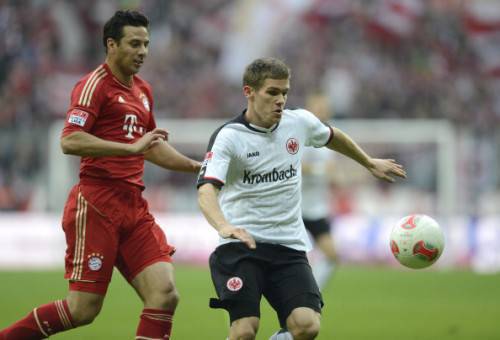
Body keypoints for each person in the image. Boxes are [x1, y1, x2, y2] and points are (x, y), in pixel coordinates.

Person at [0, 10, 200, 340]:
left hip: (134, 207)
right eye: (134, 44)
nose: (143, 52)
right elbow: (70, 139)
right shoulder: (94, 85)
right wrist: (130, 149)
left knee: (164, 294)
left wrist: (194, 166)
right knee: (83, 310)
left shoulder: (143, 91)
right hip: (97, 205)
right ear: (111, 44)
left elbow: (151, 145)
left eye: (146, 44)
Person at [197, 57, 406, 340]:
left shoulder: (299, 122)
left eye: (284, 92)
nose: (280, 100)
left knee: (307, 326)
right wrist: (223, 225)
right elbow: (207, 189)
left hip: (288, 246)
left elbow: (332, 136)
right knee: (245, 330)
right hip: (241, 246)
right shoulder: (229, 137)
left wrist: (368, 162)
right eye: (272, 92)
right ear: (249, 92)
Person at [301, 92, 338, 290]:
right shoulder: (303, 136)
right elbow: (298, 167)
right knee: (296, 259)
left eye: (324, 107)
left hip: (316, 209)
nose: (322, 111)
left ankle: (312, 290)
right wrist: (321, 171)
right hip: (295, 208)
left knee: (332, 255)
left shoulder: (330, 139)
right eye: (318, 107)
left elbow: (332, 173)